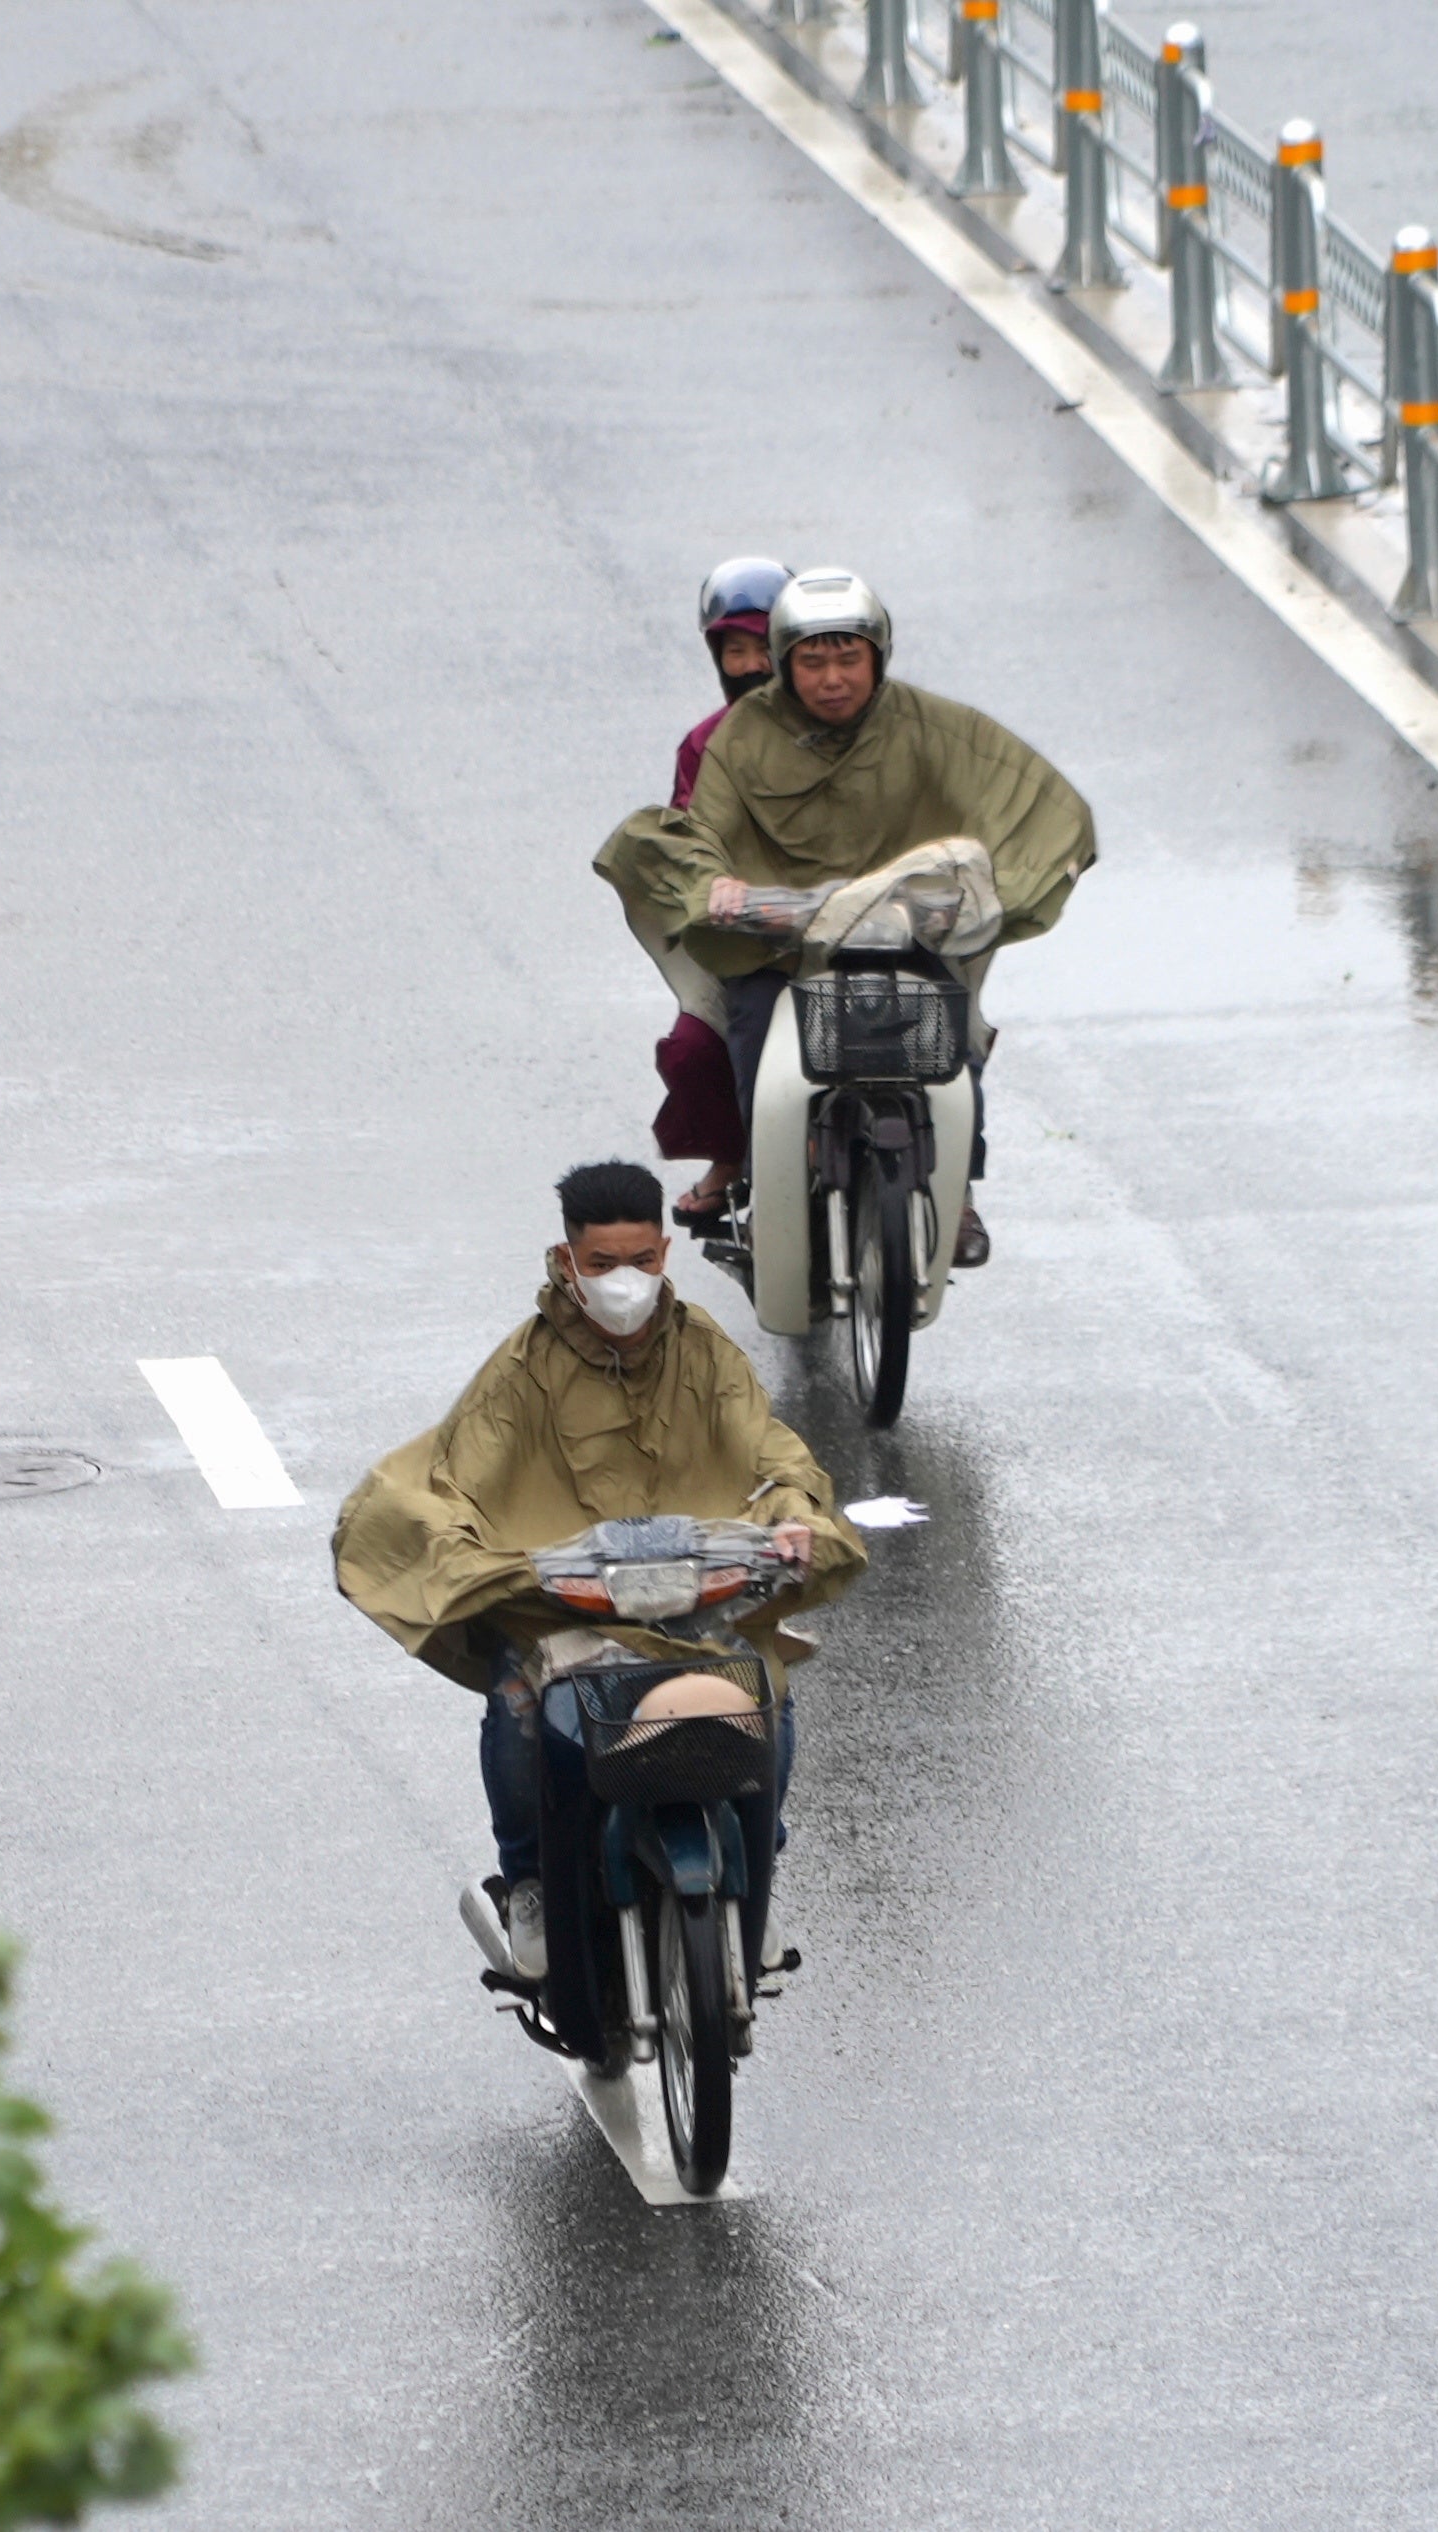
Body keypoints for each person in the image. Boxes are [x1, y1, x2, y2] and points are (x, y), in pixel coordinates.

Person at [332, 1161, 864, 1980]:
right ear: (567, 1259)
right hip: (564, 1605)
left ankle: (760, 1869)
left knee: (768, 1696)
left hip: (700, 1593)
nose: (627, 1283)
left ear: (664, 1255)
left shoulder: (707, 1353)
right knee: (517, 1703)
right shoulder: (522, 1370)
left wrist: (793, 1519)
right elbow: (453, 1483)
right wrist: (475, 1556)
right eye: (604, 1265)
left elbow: (770, 1453)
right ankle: (530, 1882)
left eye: (643, 1261)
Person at [598, 568, 1097, 1268]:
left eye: (848, 658)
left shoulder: (935, 729)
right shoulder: (738, 741)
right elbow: (701, 831)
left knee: (950, 1043)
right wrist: (717, 888)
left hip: (901, 933)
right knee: (753, 1040)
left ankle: (956, 1194)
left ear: (879, 656)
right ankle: (766, 1186)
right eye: (813, 661)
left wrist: (1004, 885)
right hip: (779, 945)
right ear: (785, 663)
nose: (833, 678)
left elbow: (1022, 799)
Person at [646, 558, 789, 1228]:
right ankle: (734, 1159)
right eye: (737, 651)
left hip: (857, 924)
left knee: (946, 1024)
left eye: (769, 647)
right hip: (752, 935)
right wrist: (717, 887)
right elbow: (687, 837)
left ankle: (954, 1186)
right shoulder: (705, 745)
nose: (755, 665)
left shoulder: (862, 730)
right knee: (697, 1047)